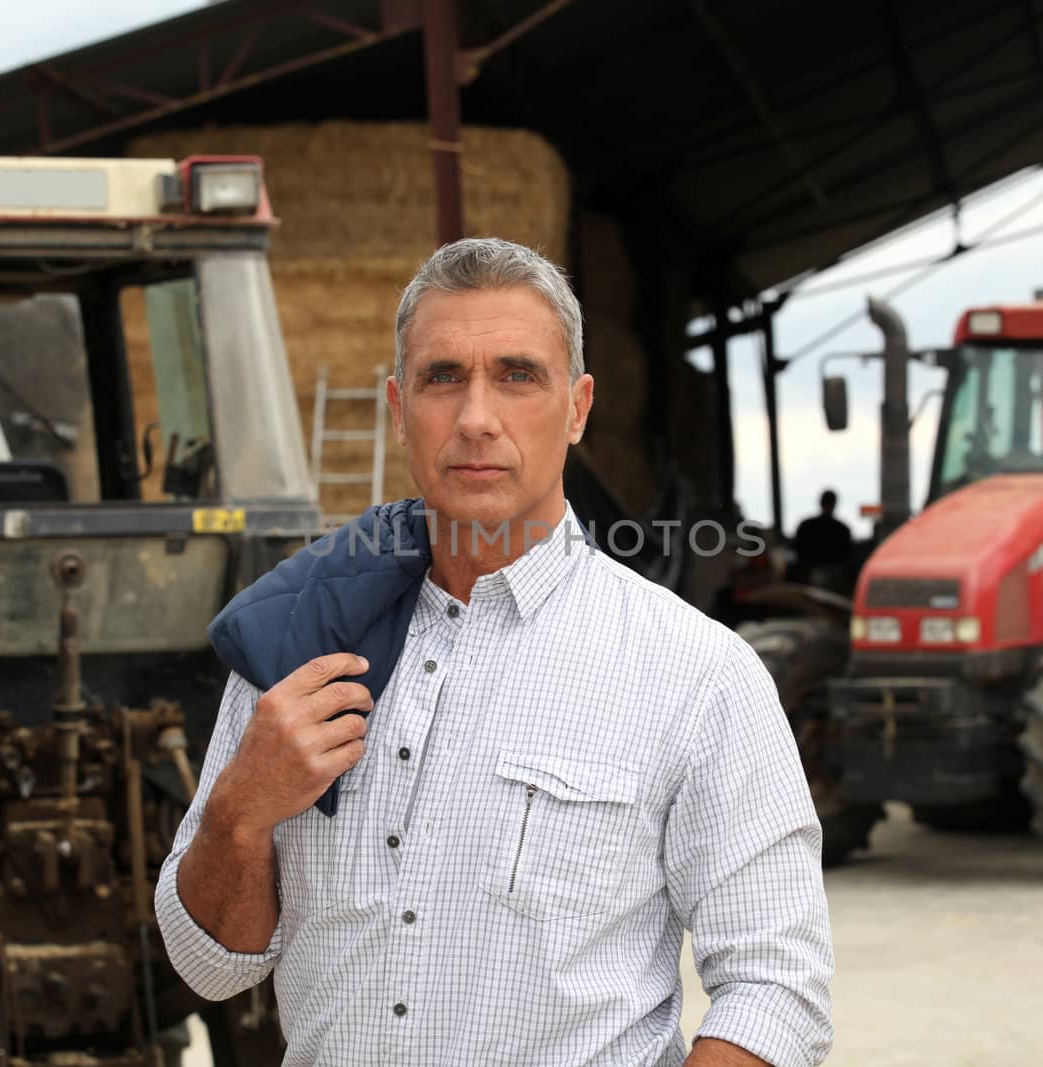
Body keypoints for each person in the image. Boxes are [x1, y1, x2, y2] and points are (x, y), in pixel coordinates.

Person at [156, 238, 833, 1066]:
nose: (477, 417)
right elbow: (208, 964)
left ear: (579, 407)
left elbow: (776, 987)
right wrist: (241, 807)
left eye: (518, 375)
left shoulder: (696, 674)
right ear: (399, 409)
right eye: (445, 378)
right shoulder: (302, 642)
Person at [790, 490, 853, 591]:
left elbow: (797, 550)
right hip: (835, 574)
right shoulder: (842, 528)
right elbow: (848, 555)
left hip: (810, 572)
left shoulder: (806, 526)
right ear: (835, 504)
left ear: (820, 503)